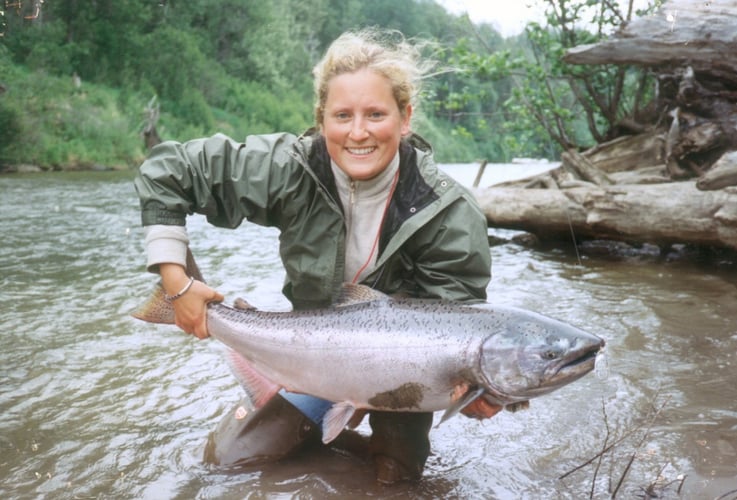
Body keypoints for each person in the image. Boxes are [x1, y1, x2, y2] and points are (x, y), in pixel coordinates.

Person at [134, 28, 497, 484]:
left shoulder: (451, 214)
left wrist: (481, 394)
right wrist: (178, 285)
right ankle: (328, 444)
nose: (358, 132)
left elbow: (460, 329)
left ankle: (353, 451)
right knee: (230, 462)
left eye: (376, 114)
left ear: (405, 118)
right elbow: (165, 171)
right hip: (313, 358)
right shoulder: (290, 167)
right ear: (321, 118)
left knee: (392, 484)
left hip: (402, 382)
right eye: (342, 115)